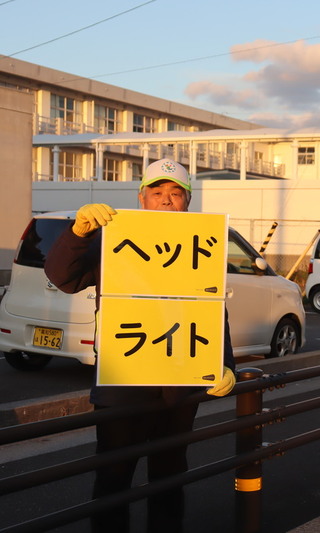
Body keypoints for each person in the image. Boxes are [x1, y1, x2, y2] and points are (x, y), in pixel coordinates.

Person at [45, 158, 237, 533]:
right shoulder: (115, 239)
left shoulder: (200, 245)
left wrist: (223, 361)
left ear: (188, 202)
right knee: (113, 479)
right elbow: (63, 277)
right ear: (142, 197)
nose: (166, 199)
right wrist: (79, 233)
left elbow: (212, 308)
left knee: (170, 477)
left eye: (176, 193)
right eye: (157, 191)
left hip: (179, 384)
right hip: (122, 382)